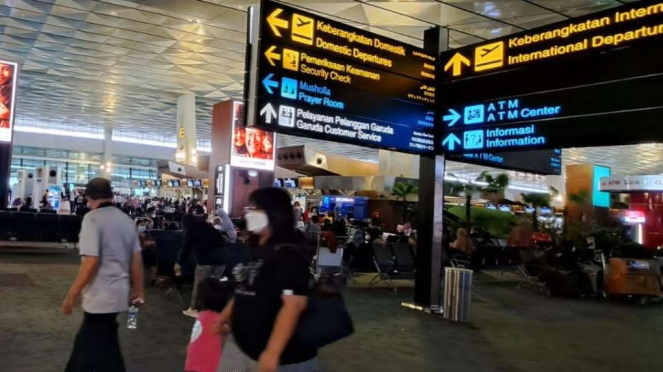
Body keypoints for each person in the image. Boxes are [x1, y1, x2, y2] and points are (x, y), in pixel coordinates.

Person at [216, 187, 317, 372]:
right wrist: (226, 315)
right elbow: (248, 287)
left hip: (283, 359)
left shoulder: (288, 253)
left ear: (274, 213)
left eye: (255, 209)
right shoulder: (261, 249)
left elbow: (293, 304)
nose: (249, 214)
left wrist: (272, 352)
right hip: (243, 347)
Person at [62, 178, 145, 372]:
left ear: (89, 198)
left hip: (99, 297)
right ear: (112, 195)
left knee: (91, 348)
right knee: (102, 344)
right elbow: (137, 261)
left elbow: (91, 261)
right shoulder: (126, 220)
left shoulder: (92, 219)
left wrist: (71, 294)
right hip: (119, 294)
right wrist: (139, 291)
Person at [177, 206, 227, 318]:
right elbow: (221, 239)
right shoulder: (208, 226)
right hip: (221, 260)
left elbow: (186, 248)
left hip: (205, 261)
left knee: (200, 285)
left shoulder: (190, 229)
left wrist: (179, 263)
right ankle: (212, 309)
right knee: (214, 285)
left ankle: (193, 308)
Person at [185, 277, 233, 372]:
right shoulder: (219, 320)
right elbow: (231, 330)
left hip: (192, 364)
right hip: (209, 366)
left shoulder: (202, 316)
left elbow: (191, 344)